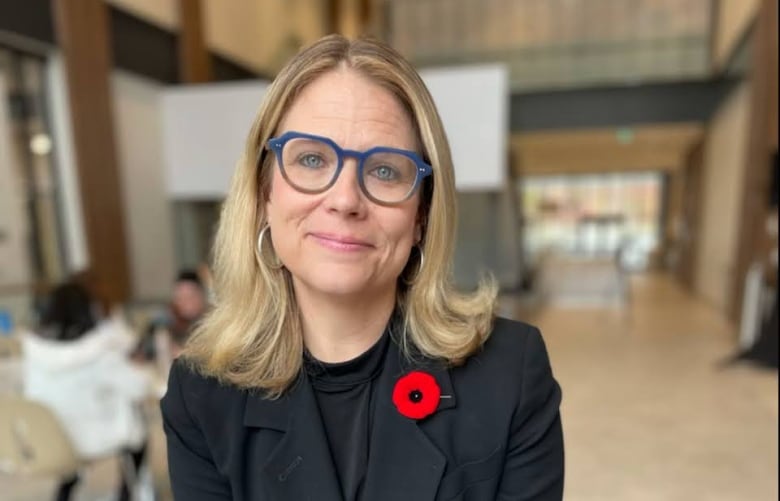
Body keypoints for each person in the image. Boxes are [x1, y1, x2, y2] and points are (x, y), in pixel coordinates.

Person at [161, 35, 564, 501]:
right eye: (312, 159)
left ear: (421, 216)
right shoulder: (201, 392)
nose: (346, 199)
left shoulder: (510, 373)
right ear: (264, 192)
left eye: (385, 171)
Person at [21, 282, 151, 501]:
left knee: (73, 438)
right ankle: (126, 493)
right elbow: (139, 388)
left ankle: (65, 493)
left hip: (54, 438)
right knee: (138, 431)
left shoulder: (35, 352)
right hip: (94, 438)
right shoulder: (98, 350)